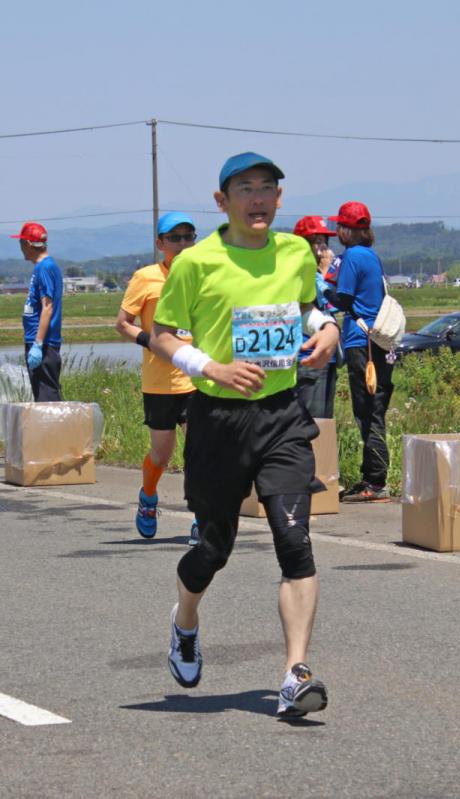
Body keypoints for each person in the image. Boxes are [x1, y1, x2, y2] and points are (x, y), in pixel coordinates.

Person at [150, 152, 340, 718]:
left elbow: (305, 307)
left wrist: (326, 328)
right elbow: (160, 334)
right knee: (213, 549)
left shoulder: (295, 252)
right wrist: (211, 368)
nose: (258, 198)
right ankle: (185, 621)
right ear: (222, 201)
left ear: (279, 200)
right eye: (246, 188)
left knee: (294, 540)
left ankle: (294, 674)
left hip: (282, 414)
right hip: (218, 420)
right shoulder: (197, 262)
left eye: (268, 188)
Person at [116, 212, 200, 543]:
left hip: (196, 378)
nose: (182, 244)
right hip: (160, 382)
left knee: (198, 452)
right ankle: (148, 497)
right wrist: (148, 340)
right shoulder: (146, 277)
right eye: (174, 238)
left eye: (188, 237)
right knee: (161, 456)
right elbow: (123, 322)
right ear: (160, 243)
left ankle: (201, 517)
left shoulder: (202, 275)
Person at [329, 201, 394, 503]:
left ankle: (376, 481)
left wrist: (318, 283)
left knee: (368, 412)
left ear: (346, 230)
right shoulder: (372, 256)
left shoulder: (353, 256)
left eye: (339, 227)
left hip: (361, 342)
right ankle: (371, 476)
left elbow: (342, 298)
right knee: (373, 409)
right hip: (378, 343)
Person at [292, 216, 341, 419]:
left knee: (325, 422)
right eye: (316, 241)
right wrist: (324, 272)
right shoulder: (302, 274)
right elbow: (327, 303)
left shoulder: (316, 273)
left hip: (325, 357)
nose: (322, 248)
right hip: (308, 356)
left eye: (324, 241)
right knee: (313, 422)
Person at [13, 222, 63, 402]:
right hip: (37, 341)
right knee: (41, 394)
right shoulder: (41, 267)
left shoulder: (45, 268)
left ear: (27, 244)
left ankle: (54, 431)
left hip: (44, 343)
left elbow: (47, 307)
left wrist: (38, 344)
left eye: (20, 243)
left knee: (47, 398)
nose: (20, 248)